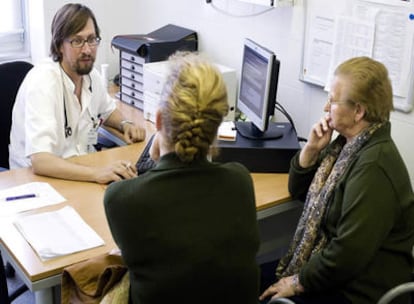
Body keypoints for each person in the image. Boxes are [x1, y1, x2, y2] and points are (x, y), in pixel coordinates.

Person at [104, 52, 260, 304]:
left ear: (157, 120)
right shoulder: (240, 181)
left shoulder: (121, 199)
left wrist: (156, 160)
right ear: (217, 126)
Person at [260, 56, 414, 304]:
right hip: (333, 273)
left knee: (257, 289)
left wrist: (298, 281)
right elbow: (299, 191)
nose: (325, 107)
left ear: (358, 111)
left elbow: (347, 254)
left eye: (332, 100)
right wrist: (310, 151)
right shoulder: (346, 147)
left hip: (356, 291)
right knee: (248, 279)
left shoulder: (373, 165)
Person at [9, 3, 145, 184]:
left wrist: (125, 124)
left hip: (79, 168)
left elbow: (108, 110)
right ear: (59, 46)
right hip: (37, 181)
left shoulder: (90, 76)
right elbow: (40, 161)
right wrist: (97, 173)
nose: (87, 49)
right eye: (77, 41)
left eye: (91, 39)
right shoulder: (43, 82)